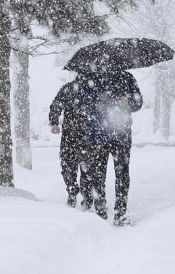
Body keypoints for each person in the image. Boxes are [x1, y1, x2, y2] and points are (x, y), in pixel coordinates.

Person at [78, 70, 142, 226]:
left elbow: (138, 102)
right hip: (98, 135)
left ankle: (121, 212)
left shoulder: (127, 78)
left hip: (121, 134)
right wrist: (100, 102)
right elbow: (81, 103)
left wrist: (129, 102)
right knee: (98, 174)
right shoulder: (90, 79)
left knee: (122, 173)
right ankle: (100, 211)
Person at [48, 78, 91, 209]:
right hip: (80, 134)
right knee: (78, 166)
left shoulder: (70, 88)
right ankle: (79, 193)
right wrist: (54, 121)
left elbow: (56, 104)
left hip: (79, 135)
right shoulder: (74, 88)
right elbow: (57, 104)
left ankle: (80, 193)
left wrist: (55, 121)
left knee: (72, 165)